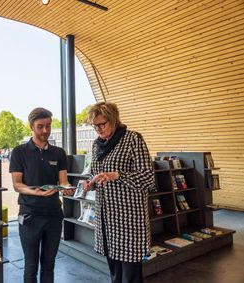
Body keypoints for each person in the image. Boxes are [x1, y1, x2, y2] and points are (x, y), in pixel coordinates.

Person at [83, 102, 154, 283]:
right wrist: (90, 183)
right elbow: (95, 173)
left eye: (102, 124)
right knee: (114, 273)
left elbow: (148, 177)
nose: (98, 129)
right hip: (106, 218)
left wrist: (117, 175)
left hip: (128, 219)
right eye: (95, 125)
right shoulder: (97, 145)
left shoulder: (133, 139)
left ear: (114, 120)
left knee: (131, 275)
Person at [10, 107, 74, 283]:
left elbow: (63, 181)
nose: (45, 131)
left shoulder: (59, 153)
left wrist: (67, 188)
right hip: (29, 215)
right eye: (40, 126)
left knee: (49, 264)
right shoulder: (19, 152)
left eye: (48, 126)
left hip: (53, 215)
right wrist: (34, 192)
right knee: (31, 265)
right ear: (31, 126)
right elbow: (17, 185)